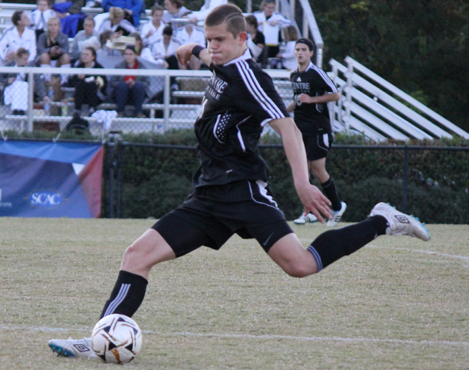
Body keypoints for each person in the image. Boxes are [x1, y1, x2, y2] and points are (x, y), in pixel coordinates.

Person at [46, 4, 431, 359]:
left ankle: (382, 219)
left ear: (242, 39)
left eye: (220, 41)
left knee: (300, 265)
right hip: (208, 194)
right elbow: (207, 55)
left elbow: (289, 130)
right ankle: (100, 337)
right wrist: (193, 47)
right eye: (209, 40)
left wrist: (301, 183)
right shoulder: (221, 60)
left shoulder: (251, 77)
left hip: (244, 191)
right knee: (136, 256)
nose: (212, 48)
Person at [287, 38, 345, 226]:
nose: (300, 52)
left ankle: (337, 207)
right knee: (304, 171)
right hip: (301, 129)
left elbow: (335, 94)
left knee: (318, 170)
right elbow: (298, 101)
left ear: (311, 53)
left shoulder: (317, 73)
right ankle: (310, 211)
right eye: (297, 49)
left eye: (304, 49)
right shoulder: (294, 75)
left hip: (319, 129)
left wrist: (312, 100)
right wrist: (280, 113)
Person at [110, 45, 148, 118]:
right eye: (126, 54)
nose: (128, 56)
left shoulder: (142, 67)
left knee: (138, 85)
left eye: (130, 54)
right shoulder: (118, 66)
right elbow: (112, 82)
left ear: (135, 55)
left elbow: (147, 83)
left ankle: (139, 112)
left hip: (136, 94)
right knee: (122, 86)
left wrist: (134, 83)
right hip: (121, 94)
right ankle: (120, 112)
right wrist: (125, 83)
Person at [67, 46, 106, 115]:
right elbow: (71, 82)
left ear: (93, 57)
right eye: (83, 54)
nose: (84, 56)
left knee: (91, 84)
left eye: (87, 54)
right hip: (81, 95)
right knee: (80, 84)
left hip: (95, 95)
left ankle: (92, 108)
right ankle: (77, 110)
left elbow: (103, 84)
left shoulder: (99, 68)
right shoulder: (79, 67)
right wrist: (78, 78)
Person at [36, 16, 70, 85]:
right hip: (45, 61)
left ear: (59, 26)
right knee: (44, 56)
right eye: (51, 25)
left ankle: (64, 80)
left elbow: (66, 50)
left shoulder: (64, 37)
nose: (53, 27)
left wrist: (60, 51)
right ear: (47, 26)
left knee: (66, 57)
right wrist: (49, 50)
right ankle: (47, 78)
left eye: (55, 25)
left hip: (59, 61)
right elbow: (40, 49)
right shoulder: (42, 36)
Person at [2, 47, 31, 115]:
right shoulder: (10, 64)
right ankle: (17, 109)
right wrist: (7, 81)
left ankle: (20, 109)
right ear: (18, 57)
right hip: (11, 89)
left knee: (23, 85)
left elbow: (37, 80)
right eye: (24, 59)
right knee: (18, 85)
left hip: (24, 91)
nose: (26, 61)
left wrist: (44, 95)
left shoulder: (30, 66)